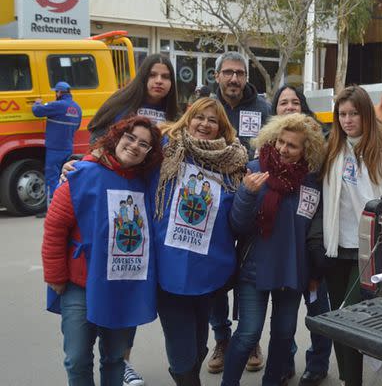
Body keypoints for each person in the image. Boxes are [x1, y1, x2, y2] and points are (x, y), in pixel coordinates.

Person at [308, 86, 382, 386]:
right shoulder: (330, 148)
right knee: (340, 320)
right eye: (342, 114)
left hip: (370, 247)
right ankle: (348, 378)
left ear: (366, 114)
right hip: (337, 245)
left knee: (353, 319)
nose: (347, 120)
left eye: (354, 113)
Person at [42, 116, 163, 386]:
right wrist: (55, 275)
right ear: (117, 137)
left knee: (115, 359)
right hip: (79, 285)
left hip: (122, 286)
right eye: (130, 138)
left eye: (144, 144)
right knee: (77, 359)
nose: (134, 146)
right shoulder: (83, 174)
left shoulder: (148, 184)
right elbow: (55, 227)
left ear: (149, 153)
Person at [222, 113, 326, 386]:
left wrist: (314, 269)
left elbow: (312, 228)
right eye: (280, 141)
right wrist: (246, 193)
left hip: (292, 269)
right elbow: (237, 225)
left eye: (292, 145)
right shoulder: (255, 169)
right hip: (255, 268)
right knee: (248, 334)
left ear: (306, 150)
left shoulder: (311, 180)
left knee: (283, 334)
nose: (282, 149)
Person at [152, 97, 248, 386]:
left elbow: (237, 221)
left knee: (199, 346)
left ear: (222, 128)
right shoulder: (165, 149)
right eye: (199, 117)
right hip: (169, 270)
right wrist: (75, 164)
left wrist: (250, 194)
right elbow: (123, 156)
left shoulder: (231, 164)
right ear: (188, 118)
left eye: (213, 120)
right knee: (183, 354)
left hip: (208, 271)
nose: (204, 124)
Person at [208, 51, 272, 374]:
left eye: (240, 73)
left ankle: (249, 338)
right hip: (214, 202)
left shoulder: (263, 108)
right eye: (228, 73)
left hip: (252, 200)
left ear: (247, 77)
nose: (235, 79)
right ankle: (222, 338)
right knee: (217, 274)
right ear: (217, 75)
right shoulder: (207, 106)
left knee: (248, 272)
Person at [270, 85, 332, 386]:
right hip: (283, 252)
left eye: (296, 101)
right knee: (284, 316)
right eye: (284, 102)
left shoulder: (319, 156)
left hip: (314, 247)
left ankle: (318, 364)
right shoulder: (267, 156)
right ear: (275, 111)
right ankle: (284, 361)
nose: (290, 106)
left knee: (318, 310)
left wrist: (316, 247)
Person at [88, 54, 179, 143]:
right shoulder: (120, 104)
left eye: (165, 77)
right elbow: (96, 140)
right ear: (142, 77)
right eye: (152, 75)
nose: (159, 81)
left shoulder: (176, 116)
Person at [32, 81, 82, 208]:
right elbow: (77, 127)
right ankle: (66, 205)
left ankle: (54, 207)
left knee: (52, 178)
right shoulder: (77, 108)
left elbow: (37, 111)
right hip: (67, 147)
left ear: (59, 92)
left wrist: (37, 102)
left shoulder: (58, 105)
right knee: (64, 177)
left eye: (56, 92)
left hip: (55, 148)